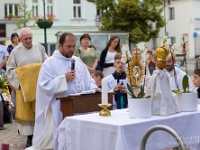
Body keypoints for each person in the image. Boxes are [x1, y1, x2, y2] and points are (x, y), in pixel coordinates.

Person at [31, 32, 97, 150]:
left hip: (80, 108)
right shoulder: (49, 63)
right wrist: (63, 80)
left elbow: (89, 80)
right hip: (58, 109)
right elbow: (43, 86)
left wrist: (94, 88)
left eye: (73, 46)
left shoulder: (77, 61)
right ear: (60, 45)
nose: (71, 49)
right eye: (68, 46)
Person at [6, 28, 48, 148]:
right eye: (26, 39)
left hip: (39, 87)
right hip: (25, 88)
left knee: (39, 112)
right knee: (28, 114)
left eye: (30, 38)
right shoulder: (15, 52)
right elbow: (10, 70)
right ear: (20, 39)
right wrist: (23, 76)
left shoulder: (39, 48)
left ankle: (41, 137)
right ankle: (30, 138)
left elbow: (46, 63)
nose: (29, 41)